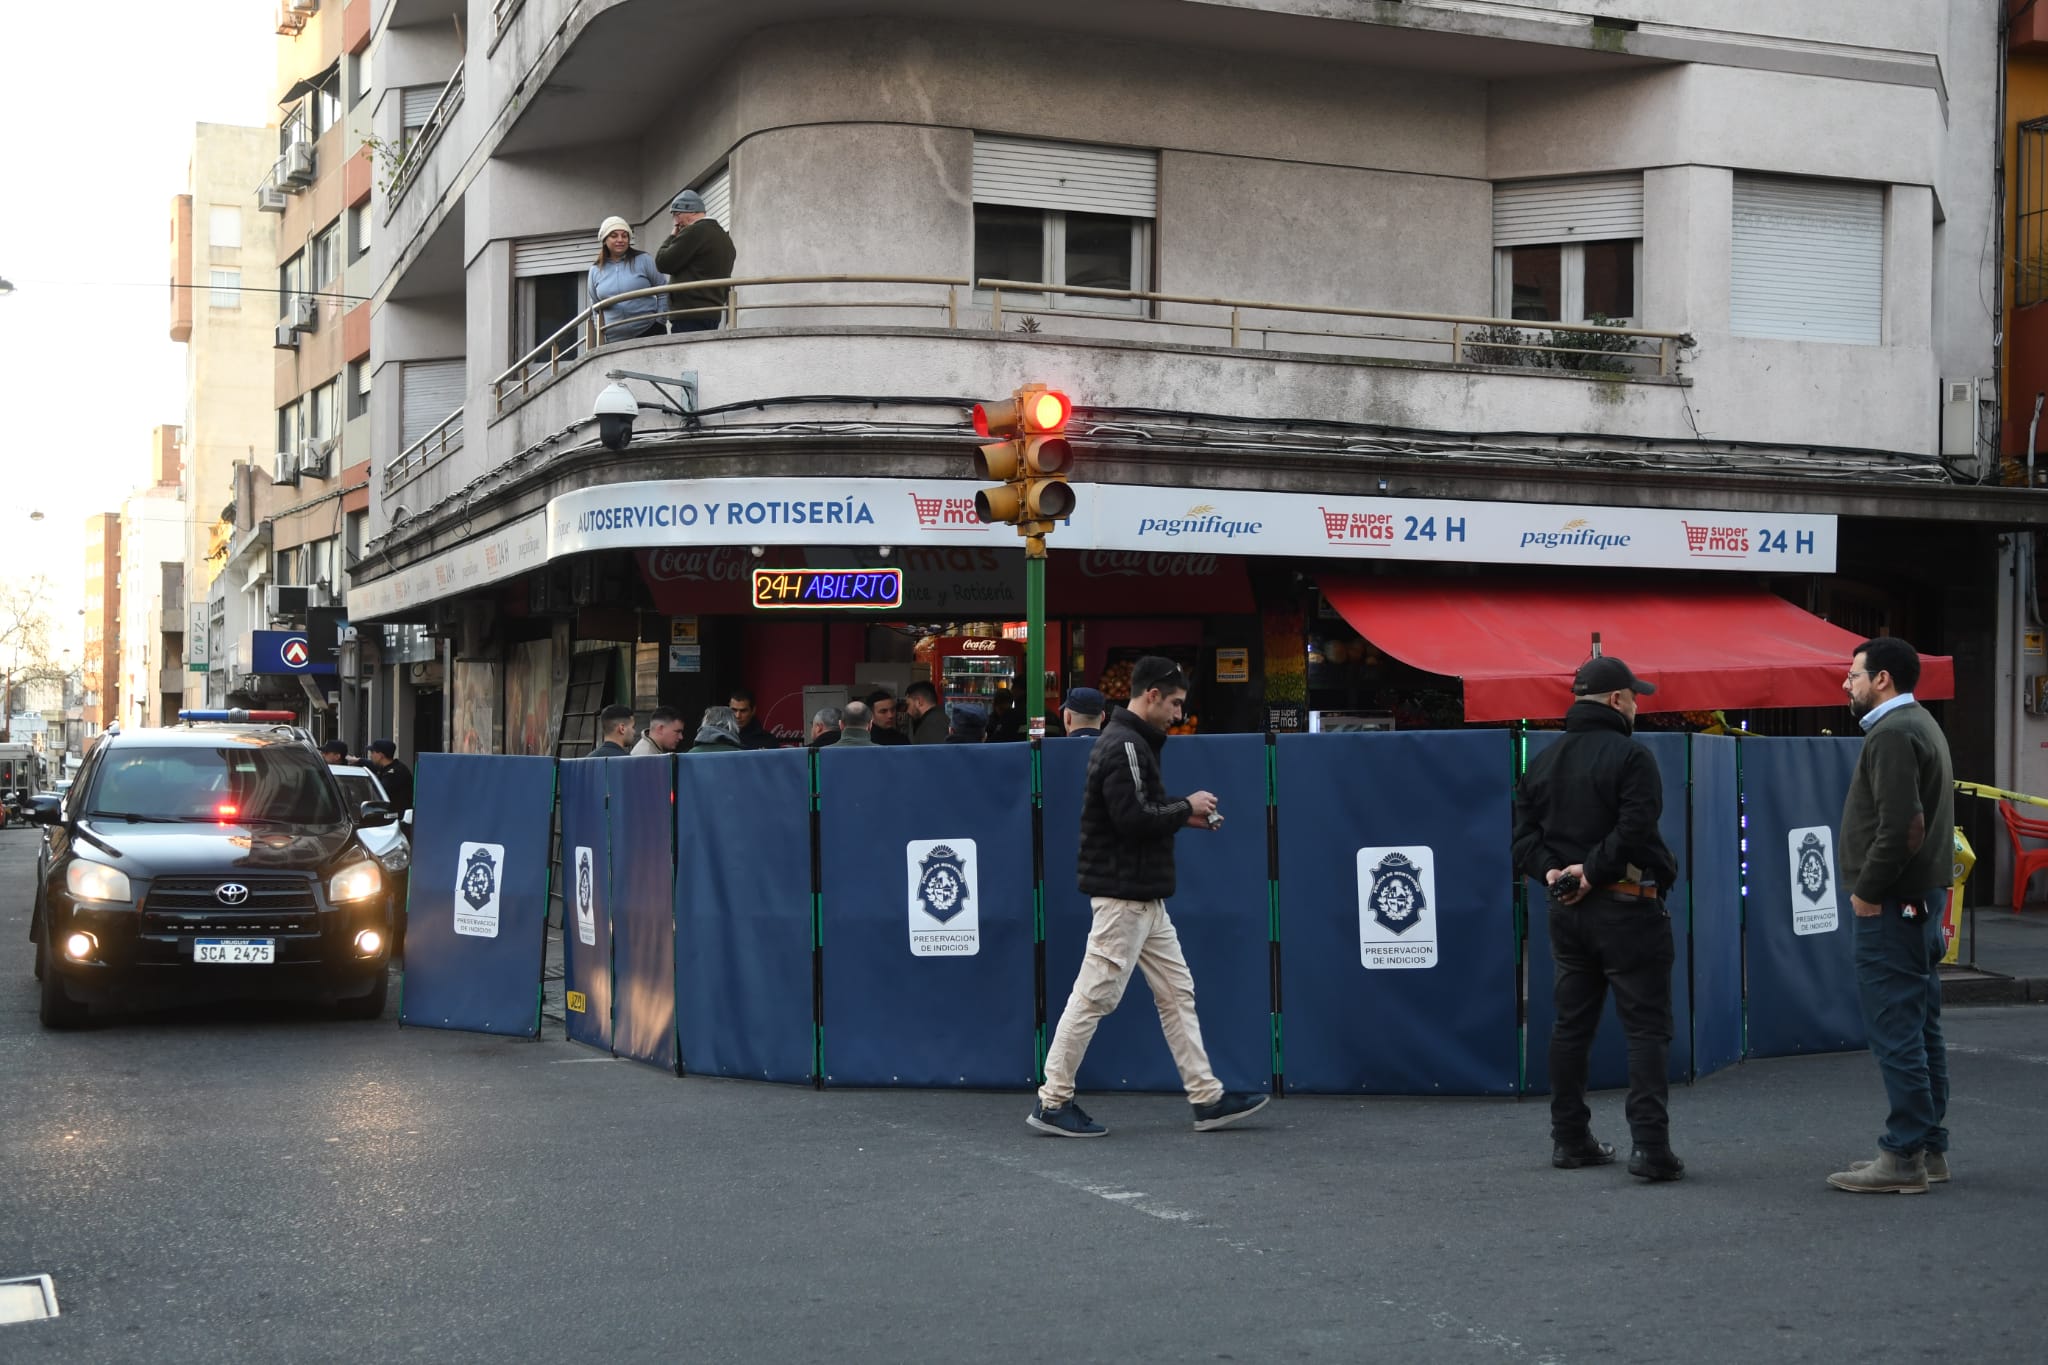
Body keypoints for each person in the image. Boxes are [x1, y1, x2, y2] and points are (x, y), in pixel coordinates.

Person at [1029, 656, 1269, 1138]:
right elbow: (1134, 819)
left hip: (1138, 897)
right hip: (1128, 897)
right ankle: (1054, 1101)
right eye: (1176, 703)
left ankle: (1207, 1097)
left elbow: (1134, 813)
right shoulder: (1127, 746)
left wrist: (1183, 815)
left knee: (1174, 993)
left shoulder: (1125, 742)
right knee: (1096, 996)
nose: (1180, 714)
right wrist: (1188, 806)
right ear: (1153, 695)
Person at [1511, 655, 1683, 1182]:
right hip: (1628, 906)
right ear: (1615, 700)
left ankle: (1570, 1139)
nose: (1637, 704)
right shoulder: (1632, 757)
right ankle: (1650, 1149)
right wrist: (1594, 871)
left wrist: (1555, 874)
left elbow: (1522, 842)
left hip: (1565, 912)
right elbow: (1636, 826)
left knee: (1571, 1028)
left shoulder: (1540, 761)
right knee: (1646, 1030)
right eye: (1634, 696)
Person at [1827, 637, 1956, 1195]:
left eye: (1853, 674)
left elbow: (1903, 824)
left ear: (1881, 679)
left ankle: (1903, 1155)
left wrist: (1868, 889)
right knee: (1921, 1026)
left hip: (1893, 903)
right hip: (1921, 900)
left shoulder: (1893, 732)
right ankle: (1927, 1150)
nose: (1846, 683)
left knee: (1896, 1030)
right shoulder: (1919, 724)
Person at [653, 189, 736, 333]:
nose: (676, 222)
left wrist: (672, 236)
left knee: (687, 354)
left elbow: (662, 262)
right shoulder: (724, 237)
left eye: (676, 215)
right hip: (713, 312)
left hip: (689, 312)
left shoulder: (694, 232)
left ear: (688, 212)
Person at [588, 216, 667, 340]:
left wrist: (660, 321)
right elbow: (595, 306)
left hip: (650, 332)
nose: (620, 240)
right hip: (614, 340)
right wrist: (602, 333)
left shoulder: (644, 259)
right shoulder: (595, 270)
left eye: (624, 236)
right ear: (604, 240)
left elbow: (663, 290)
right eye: (614, 236)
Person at [365, 739, 414, 817]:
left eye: (372, 752)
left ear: (380, 755)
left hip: (395, 819)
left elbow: (379, 794)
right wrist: (358, 760)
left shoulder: (394, 772)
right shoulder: (389, 768)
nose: (371, 756)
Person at [905, 681, 949, 745]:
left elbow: (931, 753)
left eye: (908, 705)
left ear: (919, 702)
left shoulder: (933, 724)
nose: (908, 711)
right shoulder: (941, 717)